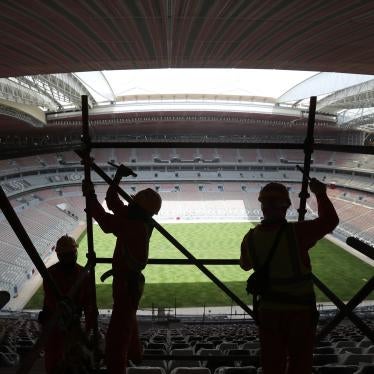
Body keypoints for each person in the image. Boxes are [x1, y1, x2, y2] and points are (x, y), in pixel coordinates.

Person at [240, 179, 339, 374]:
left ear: (262, 206)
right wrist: (320, 193)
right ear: (285, 206)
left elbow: (245, 265)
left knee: (272, 364)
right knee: (300, 364)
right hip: (300, 312)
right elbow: (330, 221)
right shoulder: (298, 232)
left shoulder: (250, 238)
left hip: (268, 312)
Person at [86, 165, 162, 374]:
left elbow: (105, 221)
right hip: (128, 282)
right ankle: (135, 356)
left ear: (139, 208)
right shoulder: (138, 218)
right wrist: (117, 177)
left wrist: (91, 197)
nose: (129, 204)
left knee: (117, 336)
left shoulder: (135, 225)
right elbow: (113, 202)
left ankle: (117, 368)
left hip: (127, 284)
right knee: (128, 321)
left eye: (134, 203)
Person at [40, 235, 96, 374]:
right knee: (71, 362)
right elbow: (89, 307)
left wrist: (87, 331)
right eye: (67, 255)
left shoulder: (51, 274)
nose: (68, 258)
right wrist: (87, 332)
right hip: (59, 325)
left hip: (58, 325)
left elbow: (89, 307)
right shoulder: (82, 274)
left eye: (70, 254)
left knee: (61, 363)